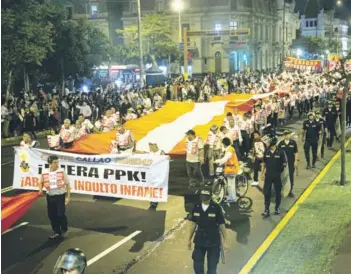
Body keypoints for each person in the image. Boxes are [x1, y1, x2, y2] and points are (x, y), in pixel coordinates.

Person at [188, 189, 228, 274]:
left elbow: (221, 225)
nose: (203, 198)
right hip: (200, 239)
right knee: (197, 266)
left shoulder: (216, 207)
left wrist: (225, 241)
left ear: (210, 197)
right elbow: (193, 224)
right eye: (202, 196)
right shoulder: (196, 207)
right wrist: (189, 240)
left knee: (212, 267)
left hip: (213, 240)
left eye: (205, 196)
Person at [38, 155, 70, 239]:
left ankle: (64, 229)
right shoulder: (44, 172)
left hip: (60, 196)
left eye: (57, 162)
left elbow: (67, 184)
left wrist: (68, 197)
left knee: (60, 214)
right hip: (50, 196)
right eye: (55, 162)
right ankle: (56, 231)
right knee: (52, 215)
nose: (57, 164)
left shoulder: (62, 171)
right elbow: (40, 182)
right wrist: (40, 190)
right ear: (50, 163)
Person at [261, 137, 287, 217]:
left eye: (268, 143)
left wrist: (280, 171)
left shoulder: (281, 152)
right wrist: (262, 173)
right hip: (268, 175)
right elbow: (264, 163)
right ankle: (266, 210)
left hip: (277, 176)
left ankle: (277, 208)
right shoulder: (267, 152)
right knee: (266, 193)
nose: (267, 144)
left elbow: (284, 163)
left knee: (278, 192)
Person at [214, 137, 241, 203]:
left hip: (232, 169)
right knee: (229, 184)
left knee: (230, 185)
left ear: (224, 144)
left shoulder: (230, 150)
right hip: (229, 169)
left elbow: (225, 159)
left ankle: (232, 199)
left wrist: (217, 161)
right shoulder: (229, 149)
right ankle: (229, 197)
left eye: (222, 144)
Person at [278, 130, 298, 197]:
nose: (287, 136)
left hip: (291, 163)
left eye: (288, 134)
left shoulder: (293, 143)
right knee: (283, 177)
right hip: (283, 164)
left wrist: (295, 161)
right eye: (286, 134)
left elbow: (296, 153)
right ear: (284, 135)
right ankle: (283, 190)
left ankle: (290, 191)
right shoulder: (281, 143)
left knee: (291, 177)